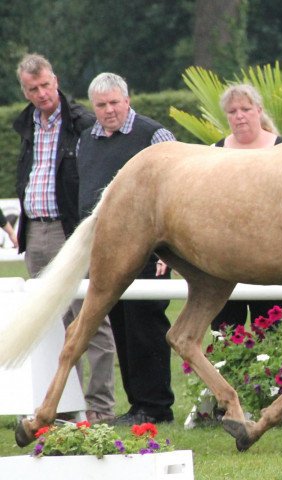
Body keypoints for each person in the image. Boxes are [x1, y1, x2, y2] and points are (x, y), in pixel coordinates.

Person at [13, 53, 116, 424]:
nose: (41, 94)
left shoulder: (83, 123)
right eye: (32, 89)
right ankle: (67, 404)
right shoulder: (26, 125)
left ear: (55, 80)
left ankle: (101, 407)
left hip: (69, 231)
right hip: (34, 232)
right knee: (49, 323)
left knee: (89, 318)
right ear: (24, 91)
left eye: (44, 85)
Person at [78, 72, 176, 425]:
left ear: (128, 100)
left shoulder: (154, 135)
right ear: (94, 107)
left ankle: (156, 406)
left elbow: (177, 192)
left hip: (151, 251)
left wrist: (168, 252)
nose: (108, 111)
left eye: (115, 103)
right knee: (120, 325)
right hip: (106, 251)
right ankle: (138, 405)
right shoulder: (86, 140)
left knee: (145, 324)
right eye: (101, 105)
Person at [209, 84, 282, 331]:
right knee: (226, 332)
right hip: (224, 259)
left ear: (258, 110)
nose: (239, 115)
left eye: (245, 108)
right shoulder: (213, 152)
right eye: (232, 111)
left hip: (271, 259)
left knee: (272, 334)